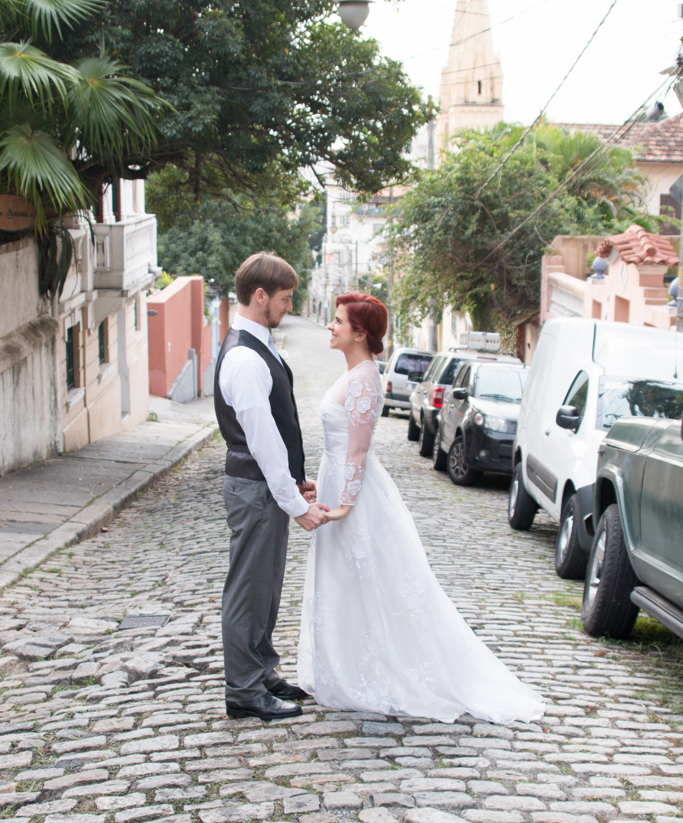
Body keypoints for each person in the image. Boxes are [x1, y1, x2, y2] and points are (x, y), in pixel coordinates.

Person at [297, 292, 544, 724]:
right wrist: (326, 485)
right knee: (345, 580)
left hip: (353, 495)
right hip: (336, 482)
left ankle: (374, 673)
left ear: (360, 332)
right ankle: (345, 666)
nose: (331, 327)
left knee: (369, 579)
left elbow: (357, 452)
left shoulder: (364, 379)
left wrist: (343, 505)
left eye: (338, 321)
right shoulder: (354, 372)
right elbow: (342, 450)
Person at [215, 252, 328, 722]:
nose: (288, 306)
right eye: (284, 299)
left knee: (265, 589)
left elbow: (279, 425)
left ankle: (261, 671)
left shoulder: (261, 346)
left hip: (268, 489)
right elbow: (261, 440)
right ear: (259, 296)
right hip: (255, 489)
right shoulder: (243, 356)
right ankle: (243, 691)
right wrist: (292, 502)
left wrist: (295, 482)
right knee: (247, 590)